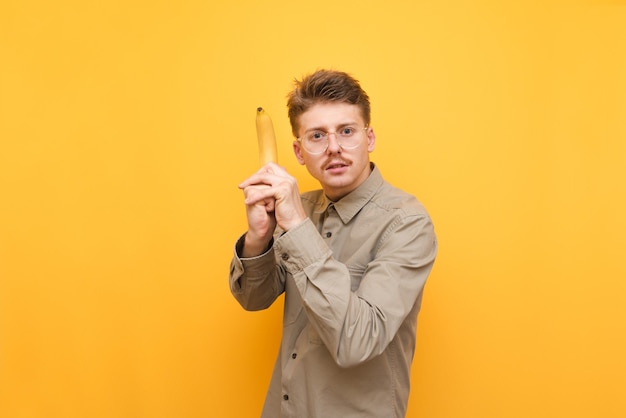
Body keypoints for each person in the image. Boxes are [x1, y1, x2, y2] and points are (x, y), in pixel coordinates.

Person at [229, 69, 438, 418]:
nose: (334, 148)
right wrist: (258, 238)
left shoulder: (407, 223)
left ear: (369, 138)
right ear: (299, 152)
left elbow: (359, 342)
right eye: (316, 136)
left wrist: (296, 226)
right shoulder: (300, 208)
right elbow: (254, 298)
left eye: (346, 131)